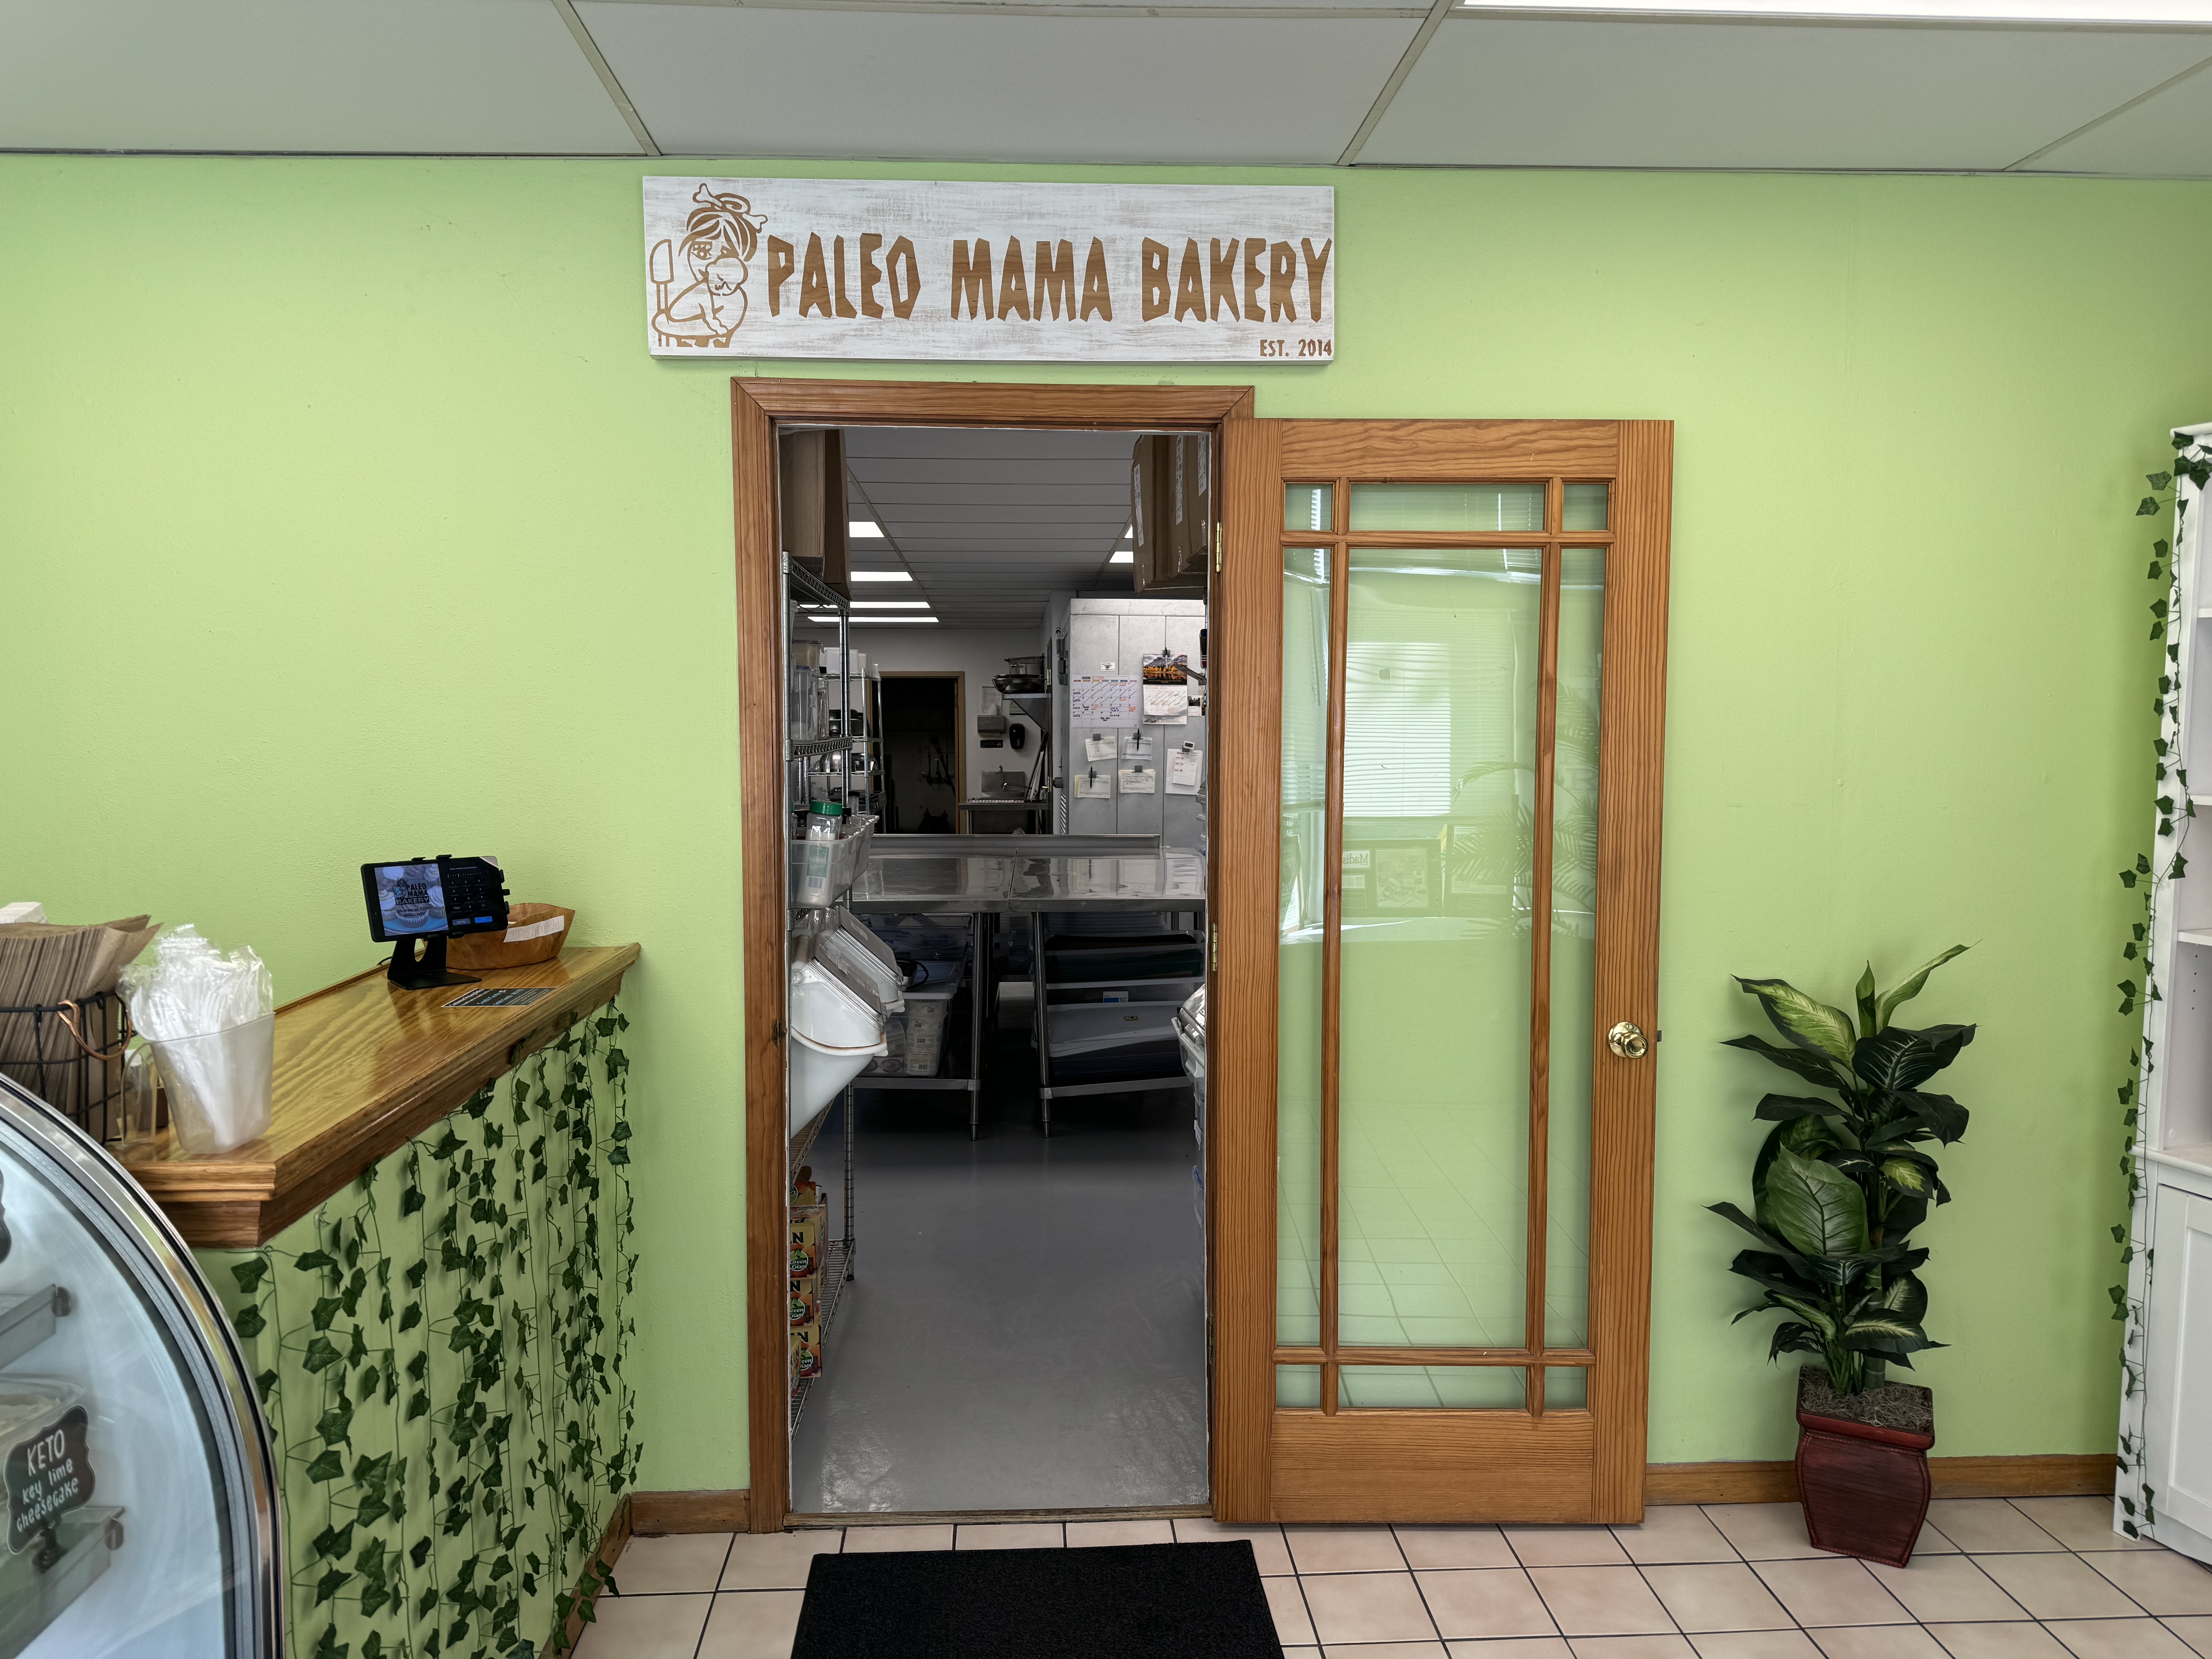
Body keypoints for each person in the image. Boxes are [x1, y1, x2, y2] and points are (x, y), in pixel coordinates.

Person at [651, 184, 766, 349]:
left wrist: (666, 325)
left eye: (725, 255)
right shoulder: (693, 290)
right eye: (702, 251)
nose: (711, 264)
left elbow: (717, 327)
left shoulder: (736, 299)